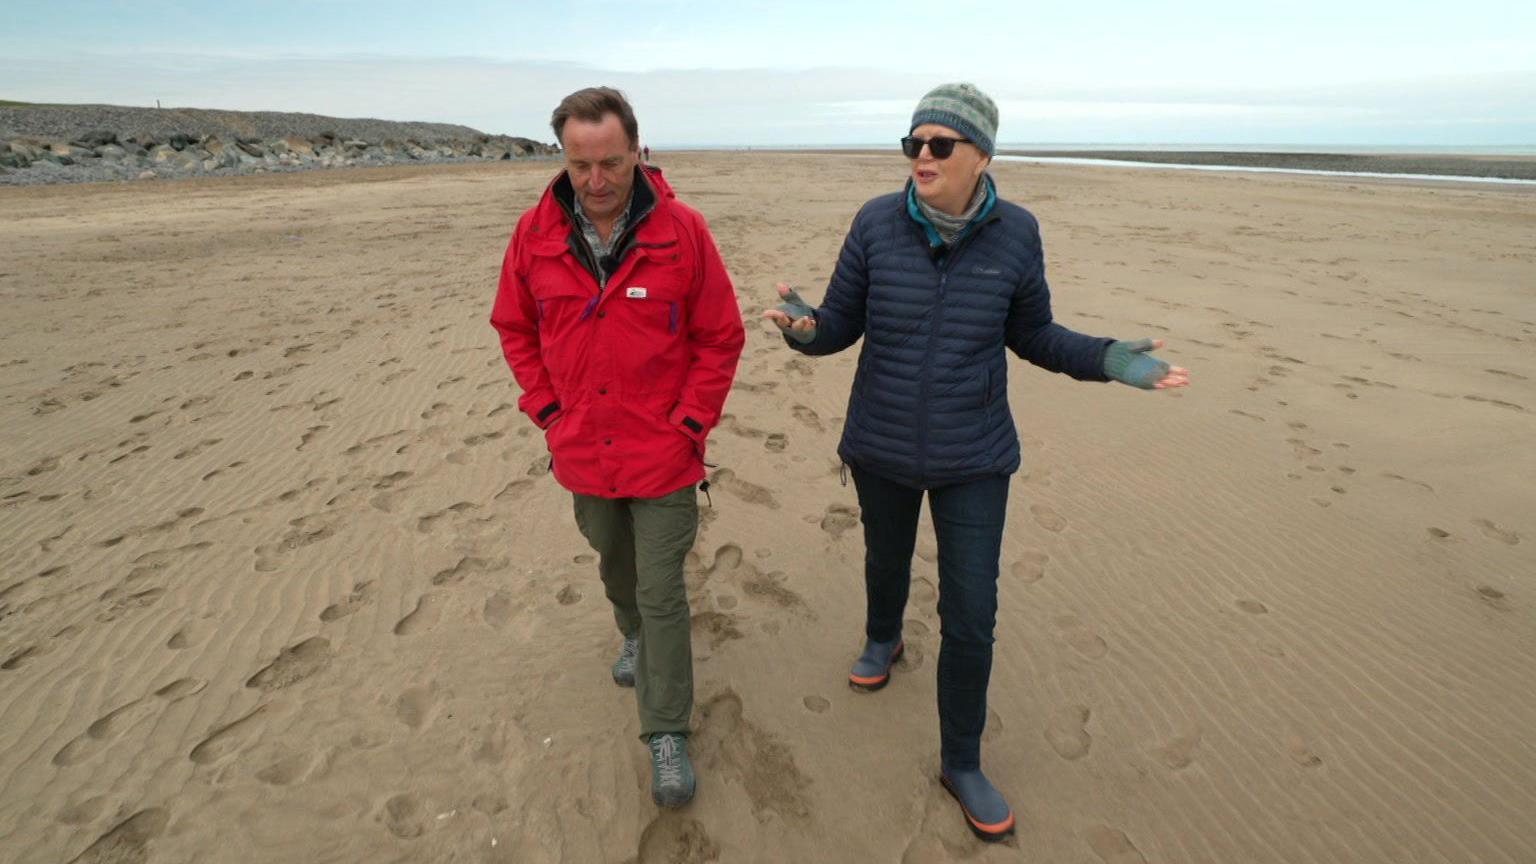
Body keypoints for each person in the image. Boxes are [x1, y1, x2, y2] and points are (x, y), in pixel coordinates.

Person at [764, 82, 1190, 841]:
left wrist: (1104, 358)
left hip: (975, 454)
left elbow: (1035, 334)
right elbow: (840, 324)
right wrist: (804, 328)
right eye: (913, 143)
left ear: (981, 155)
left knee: (971, 613)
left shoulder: (1018, 234)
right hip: (883, 441)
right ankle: (881, 635)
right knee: (884, 557)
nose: (921, 157)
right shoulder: (875, 222)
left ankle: (961, 760)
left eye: (939, 144)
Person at [491, 86, 745, 808]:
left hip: (665, 453)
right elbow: (513, 326)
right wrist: (545, 407)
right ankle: (628, 631)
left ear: (637, 150)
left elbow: (720, 336)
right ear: (563, 159)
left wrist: (691, 424)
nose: (596, 182)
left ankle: (666, 732)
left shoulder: (684, 231)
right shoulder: (532, 236)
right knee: (615, 562)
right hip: (584, 450)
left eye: (610, 163)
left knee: (662, 588)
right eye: (580, 166)